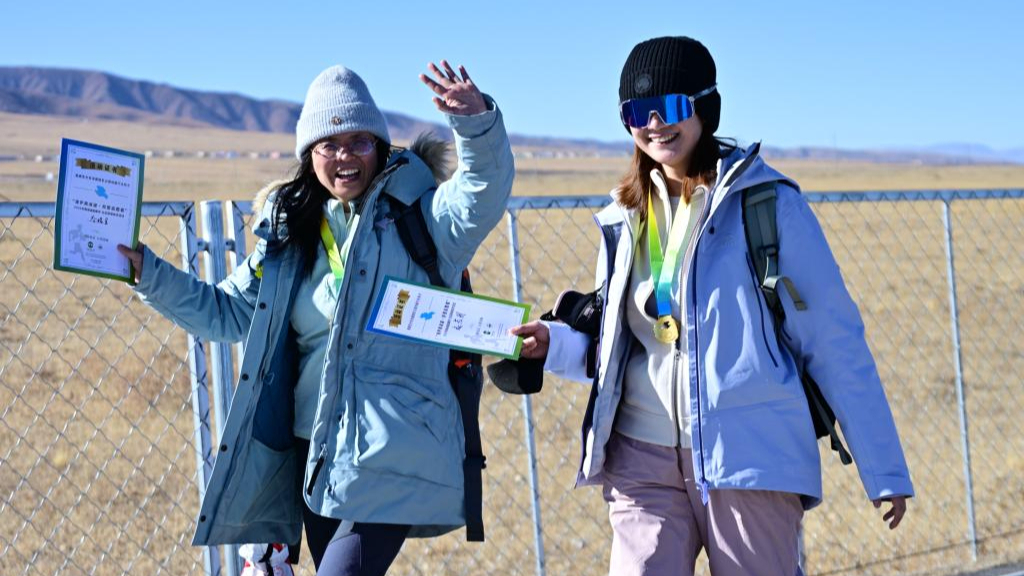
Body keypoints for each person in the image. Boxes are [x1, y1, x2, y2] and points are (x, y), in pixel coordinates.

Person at [510, 36, 914, 576]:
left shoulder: (769, 206)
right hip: (642, 459)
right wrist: (554, 342)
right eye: (636, 112)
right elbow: (621, 337)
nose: (654, 124)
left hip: (748, 459)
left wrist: (883, 468)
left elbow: (833, 340)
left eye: (670, 106)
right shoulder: (624, 216)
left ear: (705, 106)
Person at [118, 61, 514, 576]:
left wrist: (477, 124)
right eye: (329, 144)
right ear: (309, 156)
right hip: (316, 454)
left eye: (359, 141)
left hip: (391, 453)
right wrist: (146, 272)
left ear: (380, 147)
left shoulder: (424, 218)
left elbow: (482, 190)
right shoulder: (290, 234)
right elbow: (226, 312)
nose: (344, 156)